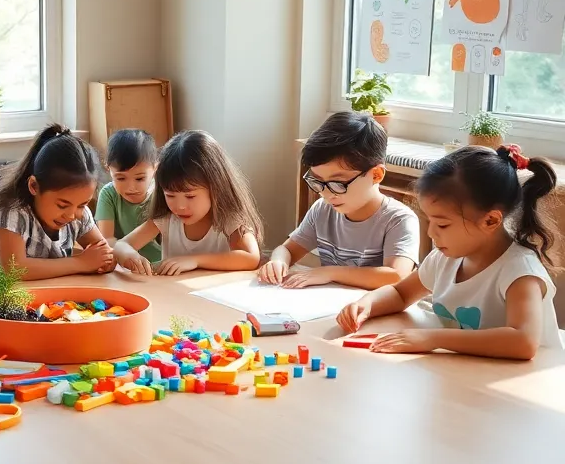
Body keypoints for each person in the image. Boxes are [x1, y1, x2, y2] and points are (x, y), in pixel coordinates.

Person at [338, 145, 560, 359]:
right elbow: (401, 294)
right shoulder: (444, 257)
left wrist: (434, 339)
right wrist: (367, 304)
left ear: (490, 220)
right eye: (430, 221)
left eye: (442, 225)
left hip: (518, 385)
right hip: (468, 375)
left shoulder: (520, 272)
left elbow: (523, 342)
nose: (432, 232)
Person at [259, 112, 419, 289]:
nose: (327, 194)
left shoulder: (398, 219)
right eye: (318, 181)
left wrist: (330, 272)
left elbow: (396, 276)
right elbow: (287, 249)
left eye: (338, 183)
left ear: (376, 175)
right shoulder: (322, 210)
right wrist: (278, 262)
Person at [0, 124, 115, 279]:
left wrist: (106, 261)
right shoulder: (11, 212)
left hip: (45, 295)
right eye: (62, 205)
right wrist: (81, 263)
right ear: (34, 186)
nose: (72, 215)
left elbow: (105, 254)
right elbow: (14, 268)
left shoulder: (79, 215)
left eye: (82, 204)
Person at [113, 130, 263, 275]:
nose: (180, 206)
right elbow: (122, 245)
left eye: (190, 196)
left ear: (215, 188)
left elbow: (250, 257)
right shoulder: (167, 218)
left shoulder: (229, 218)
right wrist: (132, 257)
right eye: (170, 196)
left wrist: (195, 260)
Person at [96, 129, 161, 265]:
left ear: (155, 168)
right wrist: (128, 255)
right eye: (120, 178)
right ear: (109, 169)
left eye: (139, 179)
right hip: (123, 264)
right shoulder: (108, 194)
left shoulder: (161, 194)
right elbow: (106, 239)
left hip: (160, 264)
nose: (130, 187)